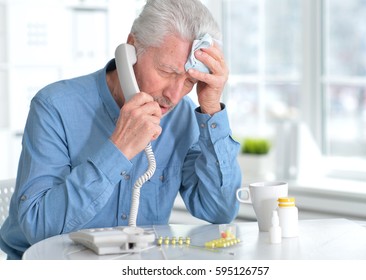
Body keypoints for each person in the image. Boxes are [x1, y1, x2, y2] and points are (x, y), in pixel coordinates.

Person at [0, 0, 241, 259]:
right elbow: (38, 228)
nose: (174, 95)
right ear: (132, 47)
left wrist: (212, 109)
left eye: (190, 81)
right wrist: (119, 148)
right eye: (166, 71)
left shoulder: (183, 117)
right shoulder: (54, 106)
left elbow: (219, 211)